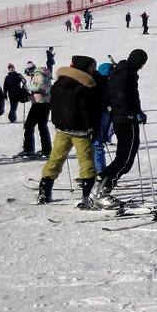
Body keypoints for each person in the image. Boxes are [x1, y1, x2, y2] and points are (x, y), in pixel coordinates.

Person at [36, 55, 100, 205]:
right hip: (80, 130)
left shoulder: (59, 83)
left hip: (62, 128)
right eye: (91, 67)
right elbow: (87, 110)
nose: (93, 70)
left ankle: (44, 192)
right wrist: (93, 126)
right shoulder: (85, 86)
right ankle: (87, 195)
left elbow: (54, 105)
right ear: (84, 67)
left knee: (55, 158)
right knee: (86, 161)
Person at [94, 48, 149, 209]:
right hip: (126, 120)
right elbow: (124, 97)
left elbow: (110, 96)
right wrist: (134, 113)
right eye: (142, 64)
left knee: (125, 155)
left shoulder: (119, 71)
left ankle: (102, 181)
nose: (142, 67)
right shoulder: (127, 74)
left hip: (120, 119)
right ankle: (104, 185)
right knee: (125, 158)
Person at [20, 64, 53, 157]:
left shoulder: (38, 75)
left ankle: (29, 148)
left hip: (40, 103)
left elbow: (40, 87)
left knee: (29, 125)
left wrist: (27, 87)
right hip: (43, 102)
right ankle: (46, 149)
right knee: (42, 125)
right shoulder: (41, 74)